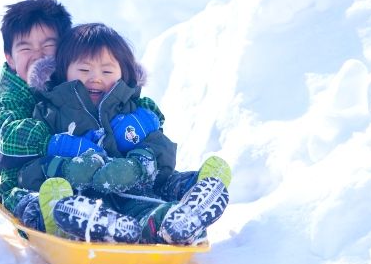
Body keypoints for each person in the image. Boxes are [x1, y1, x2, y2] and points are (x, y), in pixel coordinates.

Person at [14, 23, 231, 245]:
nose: (95, 78)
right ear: (62, 71)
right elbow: (29, 167)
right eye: (84, 70)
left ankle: (179, 216)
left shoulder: (133, 110)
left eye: (106, 71)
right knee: (61, 203)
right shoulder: (50, 112)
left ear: (123, 73)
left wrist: (137, 166)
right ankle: (96, 225)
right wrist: (67, 168)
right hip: (82, 198)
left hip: (135, 191)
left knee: (151, 204)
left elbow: (160, 148)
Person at [0, 0, 164, 236]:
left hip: (89, 179)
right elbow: (3, 136)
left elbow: (127, 103)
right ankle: (52, 217)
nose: (38, 55)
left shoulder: (75, 81)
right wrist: (53, 143)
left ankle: (124, 219)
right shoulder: (14, 94)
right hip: (24, 182)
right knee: (30, 200)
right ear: (10, 57)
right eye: (26, 48)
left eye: (48, 46)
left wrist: (144, 118)